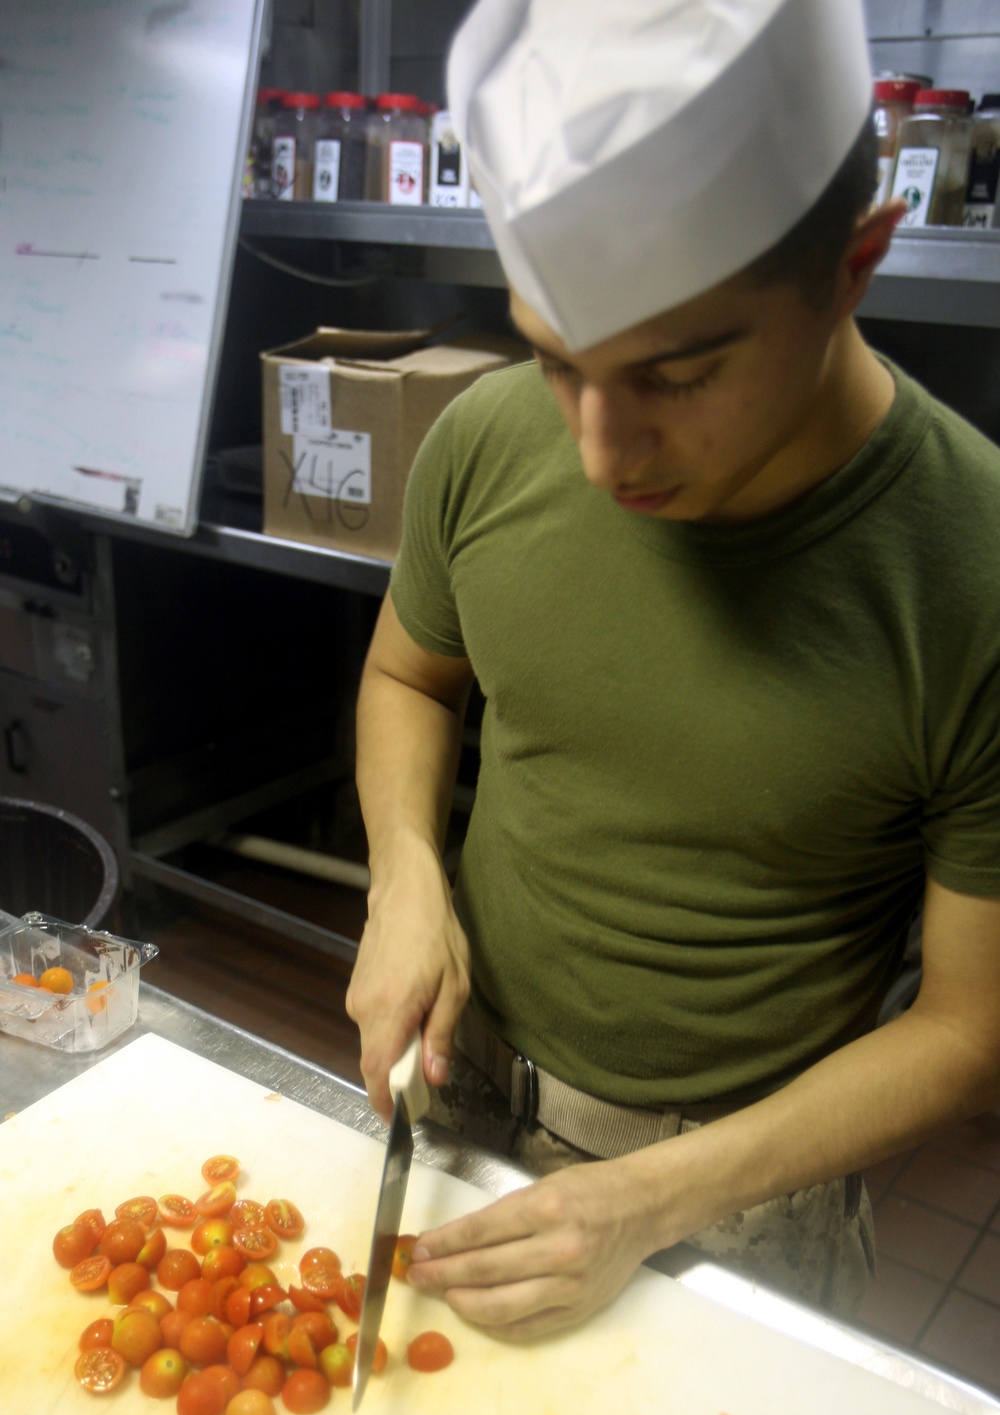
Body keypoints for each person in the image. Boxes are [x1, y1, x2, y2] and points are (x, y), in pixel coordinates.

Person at [345, 0, 1000, 1340]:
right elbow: (410, 680)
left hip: (737, 1190)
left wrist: (654, 1197)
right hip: (468, 1090)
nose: (598, 451)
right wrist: (407, 873)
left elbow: (966, 1028)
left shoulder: (972, 566)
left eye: (680, 375)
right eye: (553, 358)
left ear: (853, 268)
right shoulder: (485, 441)